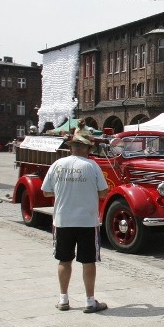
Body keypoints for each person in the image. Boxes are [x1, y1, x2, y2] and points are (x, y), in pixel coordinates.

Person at [41, 134, 110, 313]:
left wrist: (64, 191)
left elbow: (46, 192)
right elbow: (103, 192)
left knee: (64, 260)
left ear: (71, 148)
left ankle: (63, 299)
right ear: (87, 149)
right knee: (88, 261)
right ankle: (89, 301)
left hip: (63, 219)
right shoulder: (91, 165)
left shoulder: (57, 165)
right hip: (87, 220)